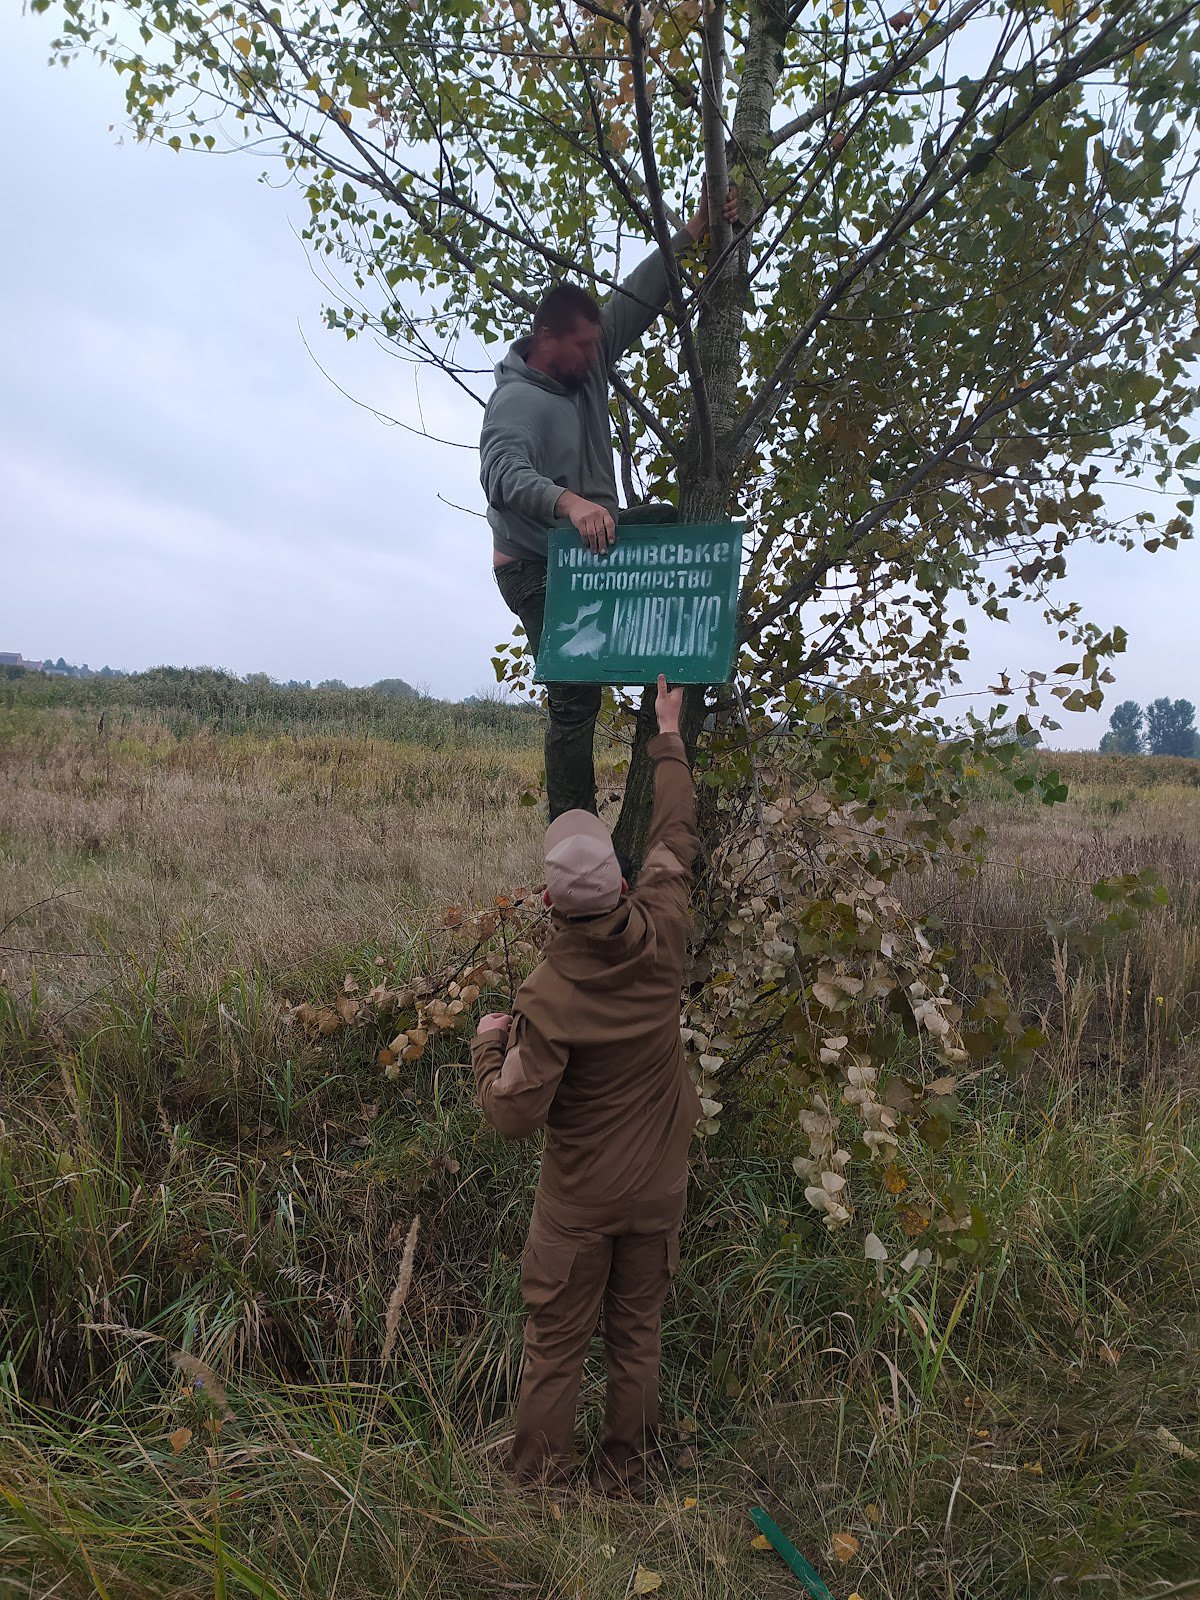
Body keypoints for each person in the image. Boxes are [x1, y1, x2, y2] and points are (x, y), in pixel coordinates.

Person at [470, 674, 701, 1497]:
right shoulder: (664, 932)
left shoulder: (550, 996)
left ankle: (533, 1488)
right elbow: (675, 831)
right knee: (636, 1339)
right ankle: (624, 1478)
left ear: (551, 904)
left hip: (578, 1206)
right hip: (658, 1193)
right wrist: (666, 733)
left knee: (556, 1348)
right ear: (621, 879)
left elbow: (513, 1114)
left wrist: (487, 1051)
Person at [480, 183, 739, 823]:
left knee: (675, 526)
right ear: (545, 337)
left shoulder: (584, 364)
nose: (597, 356)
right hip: (535, 566)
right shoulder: (516, 403)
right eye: (585, 347)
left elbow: (635, 299)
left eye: (599, 345)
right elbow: (501, 475)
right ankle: (573, 840)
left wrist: (693, 232)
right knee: (574, 700)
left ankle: (676, 678)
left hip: (594, 544)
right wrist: (569, 503)